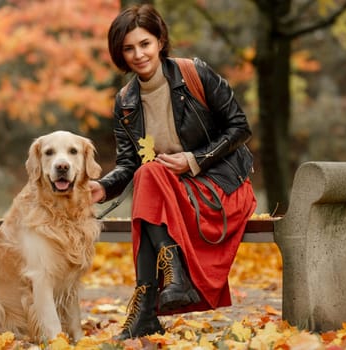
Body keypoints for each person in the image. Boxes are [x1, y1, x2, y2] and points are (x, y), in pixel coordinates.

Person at [89, 4, 257, 340]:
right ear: (119, 53)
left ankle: (146, 308)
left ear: (160, 41)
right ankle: (170, 275)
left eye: (145, 44)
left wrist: (193, 160)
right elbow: (129, 164)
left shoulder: (194, 73)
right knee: (148, 175)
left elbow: (240, 128)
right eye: (128, 48)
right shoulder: (125, 101)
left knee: (149, 180)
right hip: (169, 193)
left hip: (220, 186)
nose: (138, 54)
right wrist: (103, 188)